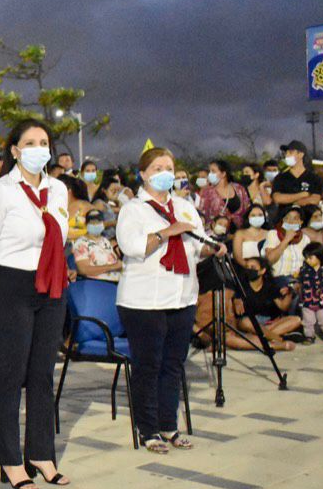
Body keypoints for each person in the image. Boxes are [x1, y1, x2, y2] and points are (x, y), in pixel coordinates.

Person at [0, 118, 71, 489]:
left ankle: (41, 453)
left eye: (43, 141)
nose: (38, 148)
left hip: (52, 286)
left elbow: (58, 240)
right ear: (14, 150)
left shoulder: (58, 189)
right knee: (12, 374)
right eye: (30, 142)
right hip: (11, 284)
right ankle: (10, 459)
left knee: (43, 372)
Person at [115, 147, 217, 454]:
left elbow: (197, 249)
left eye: (169, 167)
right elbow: (132, 247)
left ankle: (169, 424)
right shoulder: (133, 209)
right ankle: (148, 430)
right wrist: (168, 232)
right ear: (143, 174)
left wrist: (212, 248)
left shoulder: (185, 206)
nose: (165, 173)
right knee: (148, 365)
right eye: (157, 167)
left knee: (173, 364)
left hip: (182, 296)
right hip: (144, 300)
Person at [233, 249, 303, 348]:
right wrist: (236, 299)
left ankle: (262, 337)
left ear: (262, 270)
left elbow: (283, 307)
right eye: (247, 267)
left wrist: (290, 292)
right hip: (250, 322)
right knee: (246, 322)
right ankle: (279, 339)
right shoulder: (240, 284)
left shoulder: (270, 285)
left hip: (268, 323)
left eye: (252, 267)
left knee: (296, 320)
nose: (249, 270)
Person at [270, 140, 323, 224]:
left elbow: (315, 199)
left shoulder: (314, 178)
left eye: (290, 152)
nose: (287, 156)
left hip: (307, 223)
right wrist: (303, 195)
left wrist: (294, 202)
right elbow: (277, 198)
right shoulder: (280, 178)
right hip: (283, 223)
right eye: (286, 153)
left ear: (301, 154)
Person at [298, 243, 323, 343]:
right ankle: (309, 335)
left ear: (319, 257)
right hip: (307, 300)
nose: (308, 260)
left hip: (322, 300)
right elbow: (299, 281)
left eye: (310, 258)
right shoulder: (304, 270)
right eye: (306, 258)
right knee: (308, 320)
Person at [73, 208, 122, 282]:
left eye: (99, 222)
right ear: (86, 224)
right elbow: (83, 269)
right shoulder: (81, 243)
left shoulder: (105, 241)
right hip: (99, 283)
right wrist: (112, 267)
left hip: (117, 281)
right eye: (93, 222)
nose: (96, 225)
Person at [197, 159, 250, 227]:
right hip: (217, 232)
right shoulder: (207, 192)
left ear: (223, 174)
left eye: (213, 171)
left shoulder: (239, 189)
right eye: (209, 171)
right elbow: (204, 215)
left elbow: (247, 209)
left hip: (240, 231)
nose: (210, 174)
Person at [264, 205, 310, 280]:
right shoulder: (273, 234)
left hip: (300, 278)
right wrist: (286, 240)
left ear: (301, 222)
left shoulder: (305, 239)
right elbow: (269, 260)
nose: (291, 222)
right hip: (279, 278)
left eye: (295, 219)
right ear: (282, 221)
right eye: (287, 218)